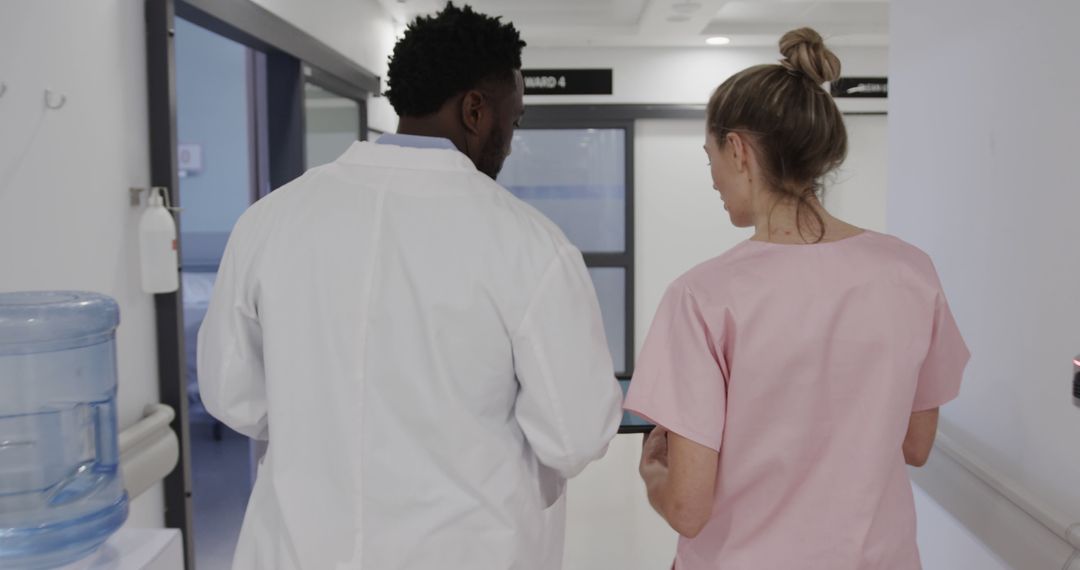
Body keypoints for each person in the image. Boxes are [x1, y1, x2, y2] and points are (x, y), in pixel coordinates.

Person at [197, 4, 623, 568]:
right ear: (475, 110)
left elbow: (234, 397)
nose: (511, 141)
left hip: (299, 549)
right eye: (512, 121)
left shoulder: (270, 221)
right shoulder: (529, 244)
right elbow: (574, 435)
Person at [624, 27, 969, 569]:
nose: (713, 176)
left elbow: (689, 508)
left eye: (709, 154)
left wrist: (653, 476)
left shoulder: (702, 296)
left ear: (737, 150)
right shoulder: (910, 271)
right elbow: (915, 445)